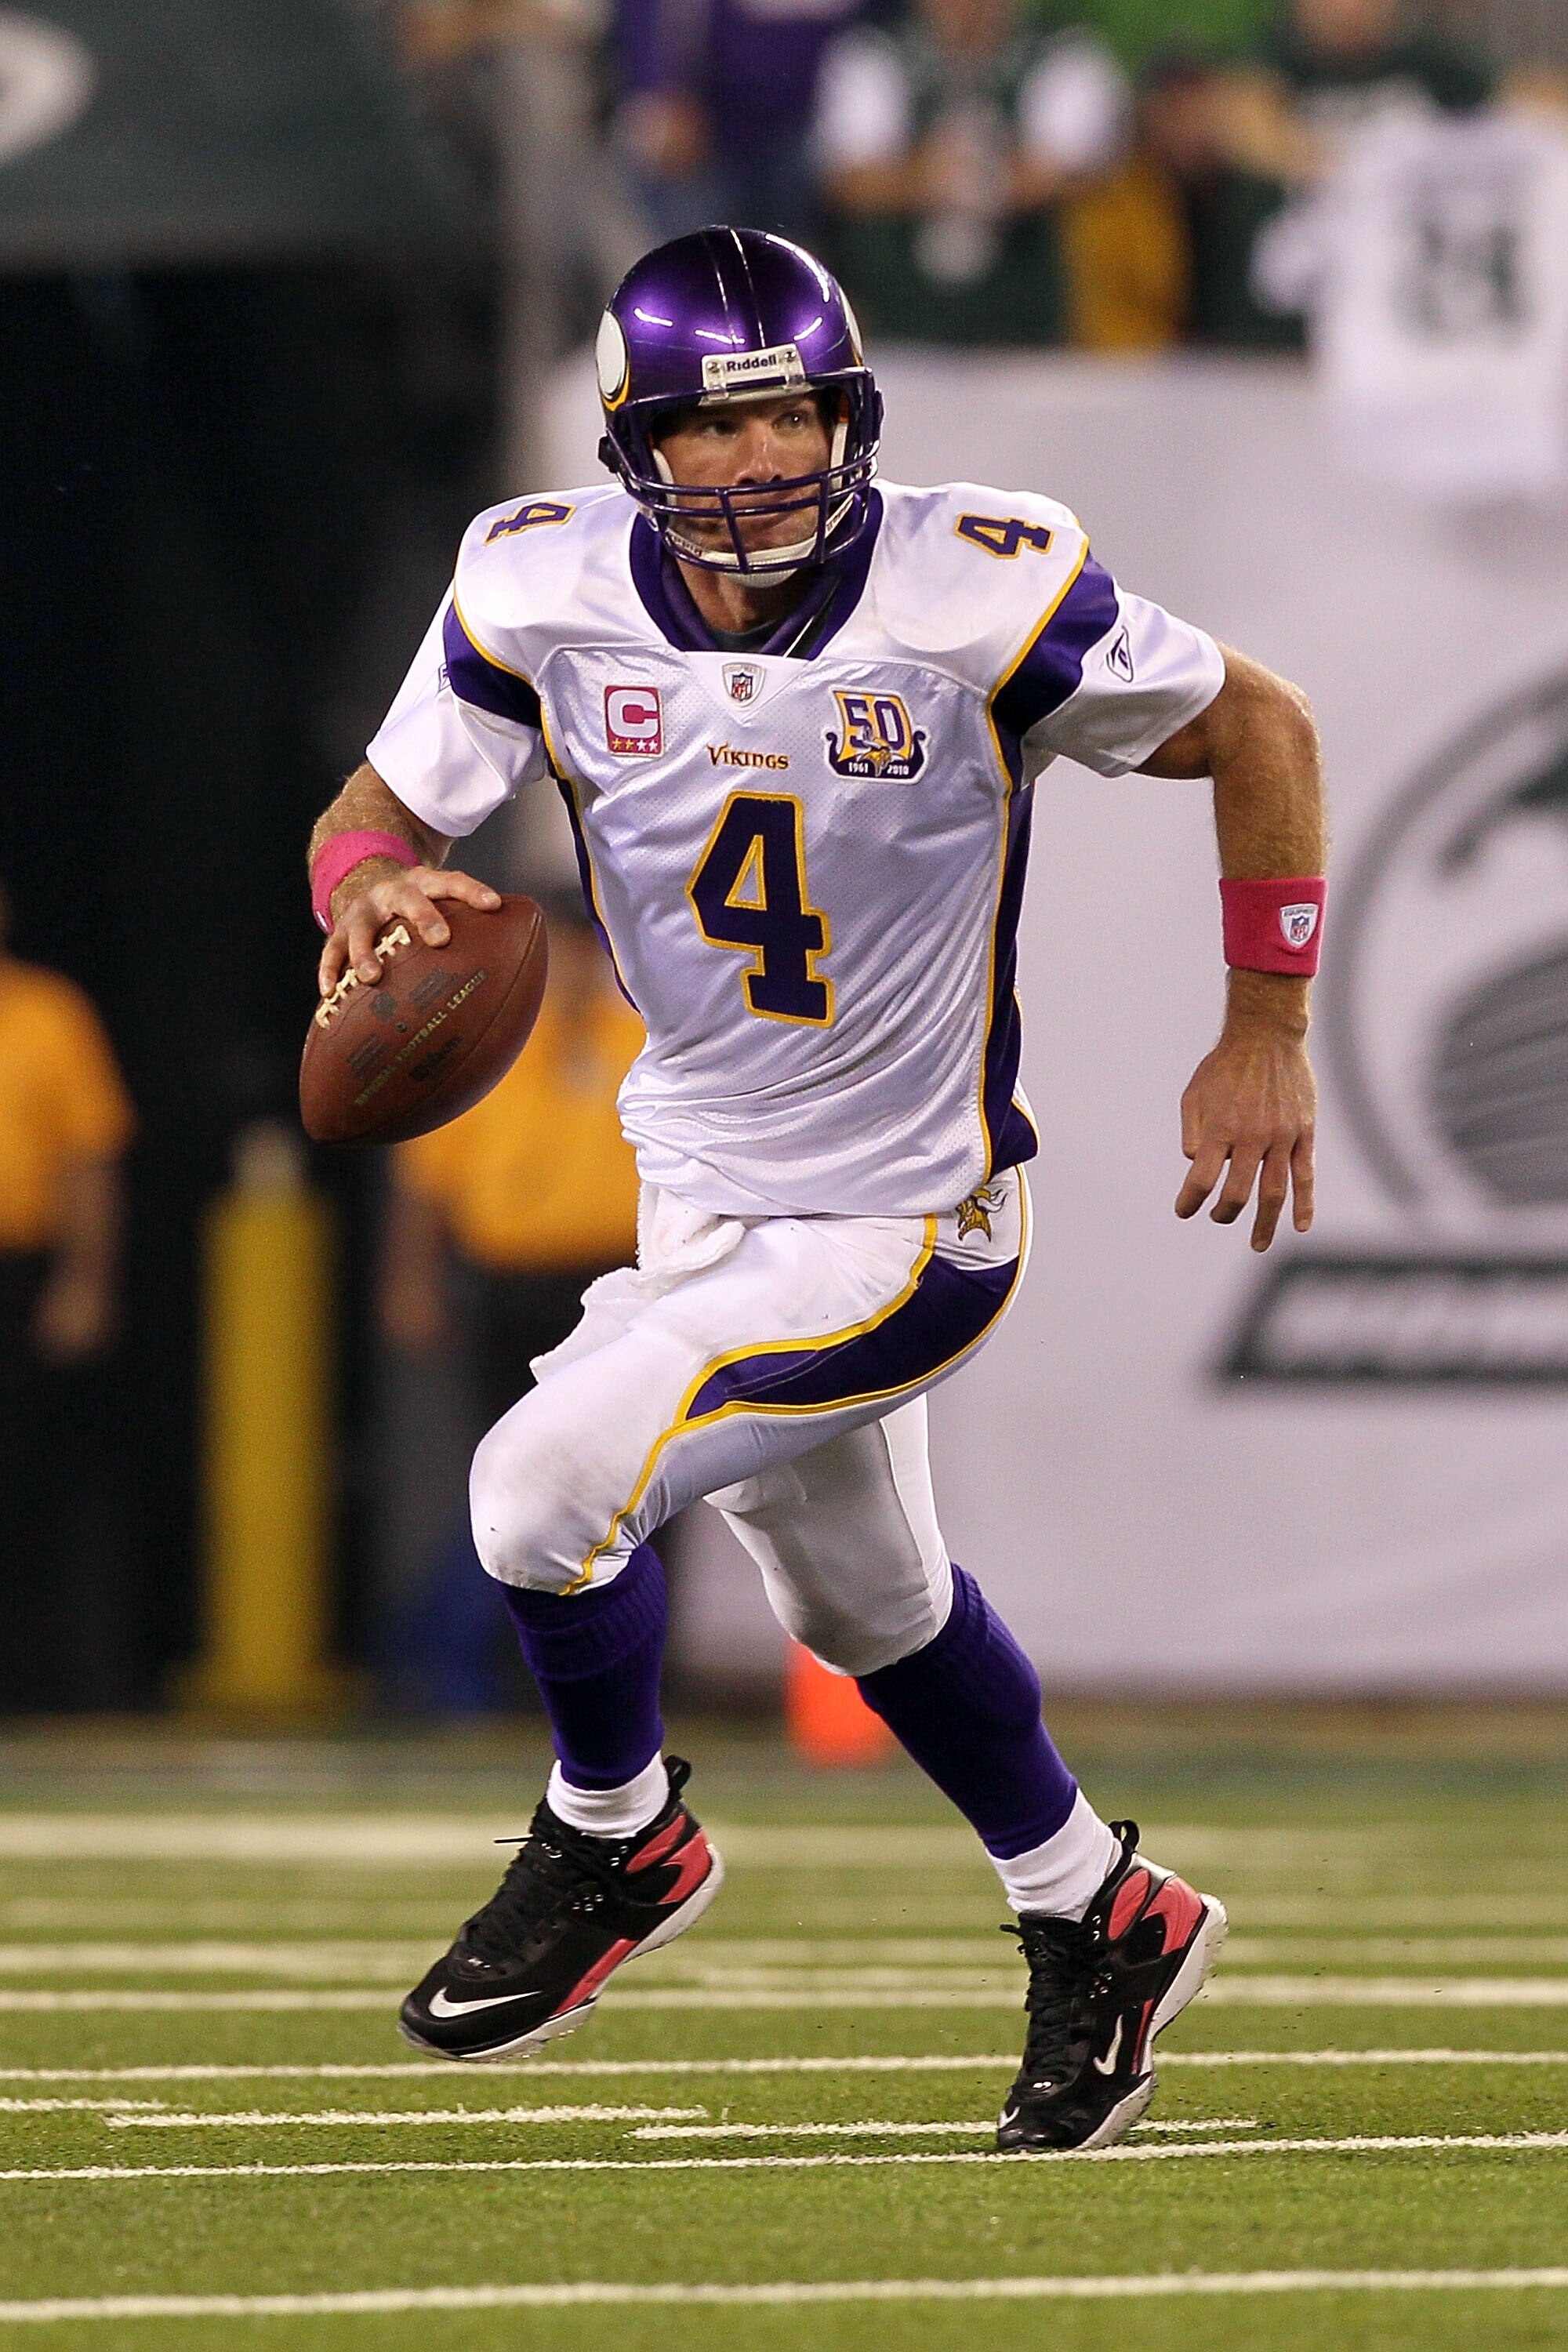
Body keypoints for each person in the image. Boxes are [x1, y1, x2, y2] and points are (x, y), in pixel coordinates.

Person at [308, 226, 1325, 2154]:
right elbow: (376, 809)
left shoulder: (972, 588)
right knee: (870, 1606)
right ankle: (1094, 1905)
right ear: (632, 446)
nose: (759, 460)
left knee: (536, 1488)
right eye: (712, 427)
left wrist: (1261, 1019)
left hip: (900, 1217)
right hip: (694, 1190)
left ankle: (618, 1833)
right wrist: (359, 888)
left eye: (790, 413)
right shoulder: (534, 585)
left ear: (847, 415)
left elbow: (1255, 725)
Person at [379, 895, 644, 1709]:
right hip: (510, 1285)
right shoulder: (485, 1043)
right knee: (517, 1480)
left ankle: (620, 1672)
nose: (569, 970)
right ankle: (469, 1671)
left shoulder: (638, 1042)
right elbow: (426, 1187)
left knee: (631, 1488)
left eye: (579, 951)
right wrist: (411, 1281)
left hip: (618, 1284)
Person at [0, 880, 134, 1707]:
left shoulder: (48, 1015)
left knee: (25, 1481)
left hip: (19, 1269)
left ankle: (39, 1682)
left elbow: (89, 1157)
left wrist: (85, 1279)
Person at [813, 0, 1130, 346]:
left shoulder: (1063, 54)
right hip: (900, 333)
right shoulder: (875, 54)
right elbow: (851, 178)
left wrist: (966, 176)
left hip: (1030, 336)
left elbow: (1069, 170)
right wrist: (930, 178)